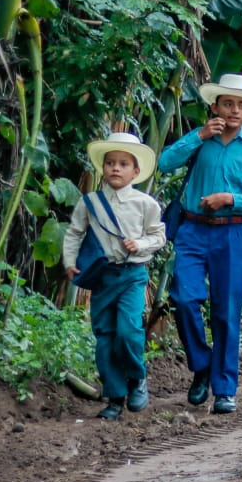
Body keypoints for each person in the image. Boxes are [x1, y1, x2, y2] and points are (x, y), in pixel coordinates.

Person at [157, 73, 242, 415]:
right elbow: (164, 163)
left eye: (241, 105)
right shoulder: (202, 139)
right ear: (215, 106)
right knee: (183, 297)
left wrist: (229, 198)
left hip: (231, 234)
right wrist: (198, 134)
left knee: (226, 312)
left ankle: (224, 388)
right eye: (227, 103)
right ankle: (201, 365)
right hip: (192, 231)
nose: (234, 110)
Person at [63, 132, 166, 421]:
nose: (115, 168)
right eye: (110, 163)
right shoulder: (90, 202)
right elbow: (74, 232)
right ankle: (114, 396)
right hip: (103, 277)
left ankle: (137, 377)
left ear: (136, 171)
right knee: (105, 336)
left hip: (133, 275)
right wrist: (70, 261)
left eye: (123, 163)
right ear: (103, 168)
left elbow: (158, 236)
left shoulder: (146, 204)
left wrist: (140, 244)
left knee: (129, 330)